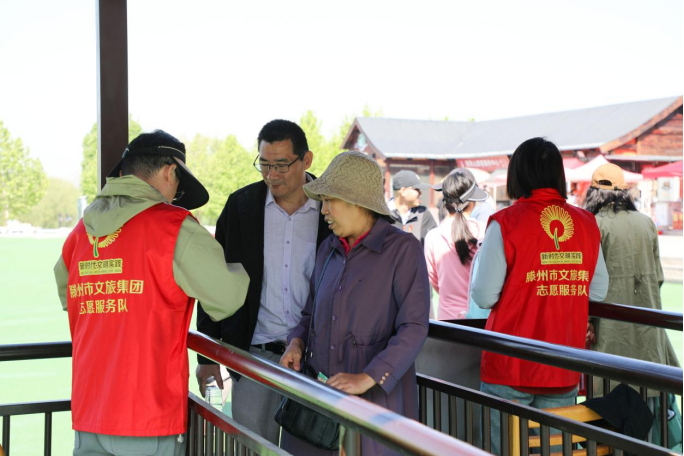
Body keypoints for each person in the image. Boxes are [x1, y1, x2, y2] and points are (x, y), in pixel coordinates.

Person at [54, 130, 250, 456]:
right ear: (170, 171)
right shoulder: (173, 227)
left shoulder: (80, 233)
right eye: (178, 187)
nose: (175, 197)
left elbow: (67, 294)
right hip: (148, 414)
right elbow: (227, 299)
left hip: (90, 412)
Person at [279, 151, 430, 456]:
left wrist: (368, 377)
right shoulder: (328, 248)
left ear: (357, 201)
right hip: (319, 404)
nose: (323, 210)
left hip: (376, 405)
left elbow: (413, 327)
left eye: (329, 201)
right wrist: (296, 342)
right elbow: (310, 313)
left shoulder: (402, 250)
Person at [470, 137, 609, 455]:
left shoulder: (506, 222)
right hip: (563, 363)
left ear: (517, 175)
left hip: (510, 364)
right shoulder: (586, 223)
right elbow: (598, 290)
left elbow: (484, 295)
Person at [195, 119, 330, 445]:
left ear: (306, 160)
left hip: (315, 359)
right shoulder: (240, 207)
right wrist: (206, 357)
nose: (272, 175)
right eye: (265, 165)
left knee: (309, 448)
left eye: (281, 165)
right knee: (251, 446)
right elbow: (215, 281)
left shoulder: (331, 207)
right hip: (254, 355)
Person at [584, 164, 681, 446]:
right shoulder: (646, 222)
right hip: (649, 331)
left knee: (609, 413)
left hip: (609, 334)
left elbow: (590, 285)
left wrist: (588, 321)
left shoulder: (595, 224)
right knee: (648, 410)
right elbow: (658, 278)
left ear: (593, 192)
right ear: (625, 192)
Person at [424, 169, 488, 320]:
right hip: (481, 319)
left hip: (447, 321)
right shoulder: (486, 231)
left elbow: (435, 282)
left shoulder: (432, 237)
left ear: (444, 201)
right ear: (472, 202)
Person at [388, 170, 437, 244]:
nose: (420, 193)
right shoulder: (382, 215)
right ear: (403, 191)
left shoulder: (423, 213)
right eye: (416, 189)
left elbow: (435, 243)